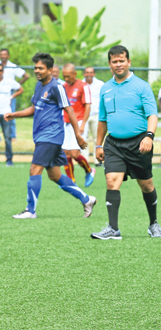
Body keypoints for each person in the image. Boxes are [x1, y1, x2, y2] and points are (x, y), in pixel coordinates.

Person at [5, 52, 96, 219]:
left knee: (34, 169)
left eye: (40, 68)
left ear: (50, 69)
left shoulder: (56, 87)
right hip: (42, 136)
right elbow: (34, 108)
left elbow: (69, 109)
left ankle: (30, 210)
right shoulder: (39, 85)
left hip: (51, 136)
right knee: (54, 175)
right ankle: (87, 199)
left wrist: (77, 134)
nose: (37, 71)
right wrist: (15, 114)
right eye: (35, 68)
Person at [91, 45, 161, 239]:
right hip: (113, 144)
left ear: (128, 62)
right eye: (114, 61)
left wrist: (149, 136)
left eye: (122, 60)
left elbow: (153, 115)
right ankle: (113, 229)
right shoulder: (105, 89)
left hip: (139, 143)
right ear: (110, 64)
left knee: (146, 184)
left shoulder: (142, 86)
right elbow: (102, 120)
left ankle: (153, 224)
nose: (118, 64)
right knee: (111, 181)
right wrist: (98, 145)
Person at [60, 63, 95, 187]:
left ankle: (89, 170)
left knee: (75, 153)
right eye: (64, 76)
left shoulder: (83, 86)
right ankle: (71, 181)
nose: (66, 79)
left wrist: (83, 124)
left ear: (75, 74)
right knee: (66, 153)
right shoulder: (63, 86)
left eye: (68, 76)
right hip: (66, 122)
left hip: (79, 122)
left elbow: (88, 106)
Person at [1, 48, 31, 164]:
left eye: (5, 54)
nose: (3, 56)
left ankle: (9, 159)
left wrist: (13, 94)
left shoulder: (12, 68)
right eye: (1, 54)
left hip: (6, 106)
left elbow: (26, 77)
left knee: (8, 134)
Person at [0, 63, 23, 166]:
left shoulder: (8, 82)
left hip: (6, 113)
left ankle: (9, 160)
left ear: (3, 72)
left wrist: (12, 96)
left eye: (0, 70)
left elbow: (20, 89)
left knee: (7, 137)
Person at [82, 66, 104, 166]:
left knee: (97, 138)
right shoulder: (80, 84)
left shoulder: (100, 84)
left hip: (96, 115)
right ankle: (84, 161)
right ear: (84, 74)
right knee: (84, 139)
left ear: (94, 74)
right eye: (87, 72)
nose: (89, 74)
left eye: (91, 72)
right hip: (84, 116)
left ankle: (98, 159)